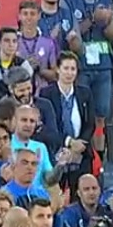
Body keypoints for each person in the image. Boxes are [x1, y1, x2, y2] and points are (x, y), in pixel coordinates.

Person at [62, 0, 113, 155]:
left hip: (103, 65)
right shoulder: (67, 0)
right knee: (82, 115)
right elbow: (69, 34)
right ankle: (81, 157)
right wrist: (93, 19)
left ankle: (99, 160)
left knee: (101, 116)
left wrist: (108, 20)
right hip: (81, 67)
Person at [40, 53, 95, 191]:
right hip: (56, 151)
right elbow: (47, 127)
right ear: (58, 69)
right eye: (66, 68)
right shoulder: (46, 94)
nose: (69, 73)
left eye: (73, 69)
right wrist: (69, 142)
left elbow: (90, 123)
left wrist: (80, 144)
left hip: (81, 153)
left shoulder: (85, 93)